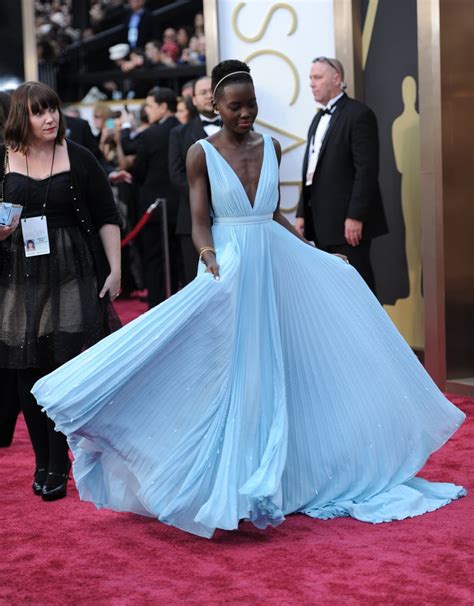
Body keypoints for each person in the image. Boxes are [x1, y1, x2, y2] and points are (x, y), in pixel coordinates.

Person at [32, 61, 465, 539]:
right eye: (235, 106)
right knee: (225, 371)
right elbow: (200, 218)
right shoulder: (200, 153)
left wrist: (310, 251)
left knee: (275, 365)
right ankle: (222, 478)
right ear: (215, 107)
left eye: (251, 105)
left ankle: (276, 475)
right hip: (228, 266)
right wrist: (208, 253)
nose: (245, 114)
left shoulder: (272, 145)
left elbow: (273, 212)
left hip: (273, 264)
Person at [0, 81, 122, 500]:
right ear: (22, 117)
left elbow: (107, 214)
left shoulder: (80, 157)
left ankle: (61, 459)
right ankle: (42, 460)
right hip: (19, 275)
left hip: (73, 271)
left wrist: (116, 269)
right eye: (38, 112)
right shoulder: (4, 160)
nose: (50, 118)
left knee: (63, 364)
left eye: (52, 109)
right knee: (27, 367)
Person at [295, 57, 388, 294]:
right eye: (310, 78)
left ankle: (371, 332)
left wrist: (356, 216)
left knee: (358, 289)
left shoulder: (359, 114)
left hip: (348, 225)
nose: (311, 84)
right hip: (321, 223)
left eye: (317, 77)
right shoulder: (317, 118)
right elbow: (310, 171)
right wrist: (301, 213)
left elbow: (366, 169)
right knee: (334, 293)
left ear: (337, 79)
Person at [169, 76, 220, 285]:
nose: (209, 96)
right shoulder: (179, 133)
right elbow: (176, 174)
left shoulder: (239, 129)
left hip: (232, 218)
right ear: (194, 100)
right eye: (203, 92)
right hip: (191, 219)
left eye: (212, 90)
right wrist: (206, 195)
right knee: (197, 282)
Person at [133, 86, 180, 308]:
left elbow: (138, 173)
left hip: (154, 208)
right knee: (179, 261)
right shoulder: (185, 130)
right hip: (182, 208)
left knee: (155, 261)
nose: (146, 111)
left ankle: (157, 308)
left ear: (163, 107)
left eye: (150, 106)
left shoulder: (149, 135)